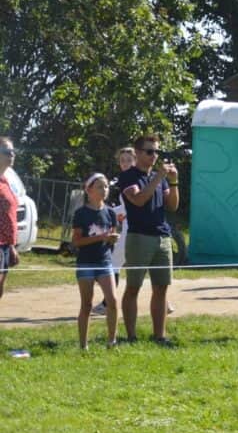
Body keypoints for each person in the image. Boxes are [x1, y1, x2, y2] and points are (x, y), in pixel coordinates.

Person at [118, 134, 180, 345]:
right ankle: (131, 336)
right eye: (149, 151)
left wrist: (173, 182)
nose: (154, 156)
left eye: (156, 152)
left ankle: (159, 335)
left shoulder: (158, 177)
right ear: (137, 153)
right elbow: (138, 200)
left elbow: (173, 205)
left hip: (162, 237)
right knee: (133, 287)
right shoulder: (128, 177)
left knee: (161, 288)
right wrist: (158, 177)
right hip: (139, 237)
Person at [71, 174, 119, 349]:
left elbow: (111, 236)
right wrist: (101, 237)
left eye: (106, 186)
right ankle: (83, 345)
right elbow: (76, 242)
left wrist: (111, 239)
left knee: (112, 301)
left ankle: (112, 342)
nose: (104, 190)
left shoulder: (111, 213)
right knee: (87, 304)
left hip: (105, 262)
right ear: (89, 190)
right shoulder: (81, 213)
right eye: (99, 186)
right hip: (86, 263)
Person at [93, 147, 136, 318]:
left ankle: (106, 304)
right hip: (129, 228)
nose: (124, 163)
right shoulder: (125, 180)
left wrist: (109, 211)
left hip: (131, 230)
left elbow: (128, 208)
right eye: (122, 160)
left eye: (128, 160)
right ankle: (165, 303)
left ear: (135, 160)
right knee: (145, 266)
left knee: (112, 265)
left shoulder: (134, 180)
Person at [0, 136, 19, 302]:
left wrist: (12, 246)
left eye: (13, 151)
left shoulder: (6, 181)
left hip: (6, 245)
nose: (12, 154)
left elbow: (9, 215)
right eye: (7, 151)